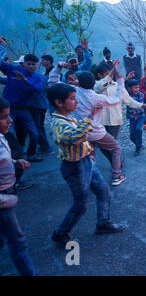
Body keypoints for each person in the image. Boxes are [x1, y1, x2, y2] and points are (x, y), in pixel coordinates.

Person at [46, 84, 125, 247]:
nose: (76, 102)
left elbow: (81, 139)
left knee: (103, 191)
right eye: (73, 99)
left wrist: (89, 152)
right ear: (59, 102)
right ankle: (60, 233)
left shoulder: (69, 116)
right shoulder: (58, 123)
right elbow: (75, 138)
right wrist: (91, 115)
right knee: (81, 204)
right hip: (75, 167)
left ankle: (103, 223)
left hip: (86, 161)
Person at [0, 97, 38, 276]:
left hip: (7, 191)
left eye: (9, 115)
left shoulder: (2, 135)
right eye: (4, 117)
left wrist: (16, 162)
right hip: (3, 199)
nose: (10, 120)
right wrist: (4, 199)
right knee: (17, 241)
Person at [72, 69, 127, 186]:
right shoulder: (97, 97)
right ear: (94, 83)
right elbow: (117, 99)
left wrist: (59, 67)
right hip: (97, 132)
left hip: (81, 132)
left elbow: (53, 83)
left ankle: (88, 177)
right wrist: (121, 80)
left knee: (89, 154)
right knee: (116, 148)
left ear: (79, 83)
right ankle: (117, 175)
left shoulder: (73, 92)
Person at [0, 37, 44, 162]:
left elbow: (38, 89)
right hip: (9, 109)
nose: (30, 66)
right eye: (28, 64)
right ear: (24, 63)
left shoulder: (37, 77)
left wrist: (25, 80)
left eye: (33, 64)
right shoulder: (14, 70)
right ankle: (15, 160)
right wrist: (2, 47)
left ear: (36, 65)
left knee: (34, 134)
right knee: (10, 134)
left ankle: (31, 155)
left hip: (24, 109)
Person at [126, 80, 146, 155]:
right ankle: (139, 144)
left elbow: (140, 106)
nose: (137, 89)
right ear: (130, 88)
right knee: (131, 136)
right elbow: (123, 90)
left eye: (138, 87)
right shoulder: (127, 95)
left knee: (138, 129)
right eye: (135, 88)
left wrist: (134, 111)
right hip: (132, 117)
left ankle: (138, 147)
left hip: (140, 116)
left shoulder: (140, 95)